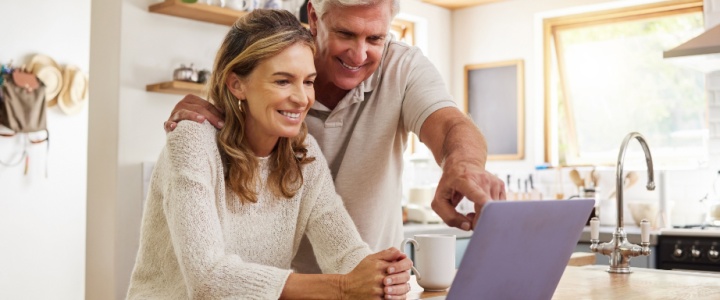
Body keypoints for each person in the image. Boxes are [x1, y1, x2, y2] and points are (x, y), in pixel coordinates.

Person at [164, 0, 506, 273]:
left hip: (363, 279)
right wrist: (224, 111)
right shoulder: (276, 64)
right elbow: (209, 274)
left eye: (375, 39)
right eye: (346, 33)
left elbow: (448, 124)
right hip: (273, 286)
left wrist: (463, 164)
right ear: (314, 17)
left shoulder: (402, 68)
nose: (359, 55)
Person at [127, 9, 412, 299]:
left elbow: (345, 253)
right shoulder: (194, 140)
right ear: (237, 84)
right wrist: (344, 287)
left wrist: (381, 274)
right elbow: (208, 279)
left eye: (308, 81)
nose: (302, 98)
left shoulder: (302, 155)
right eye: (282, 81)